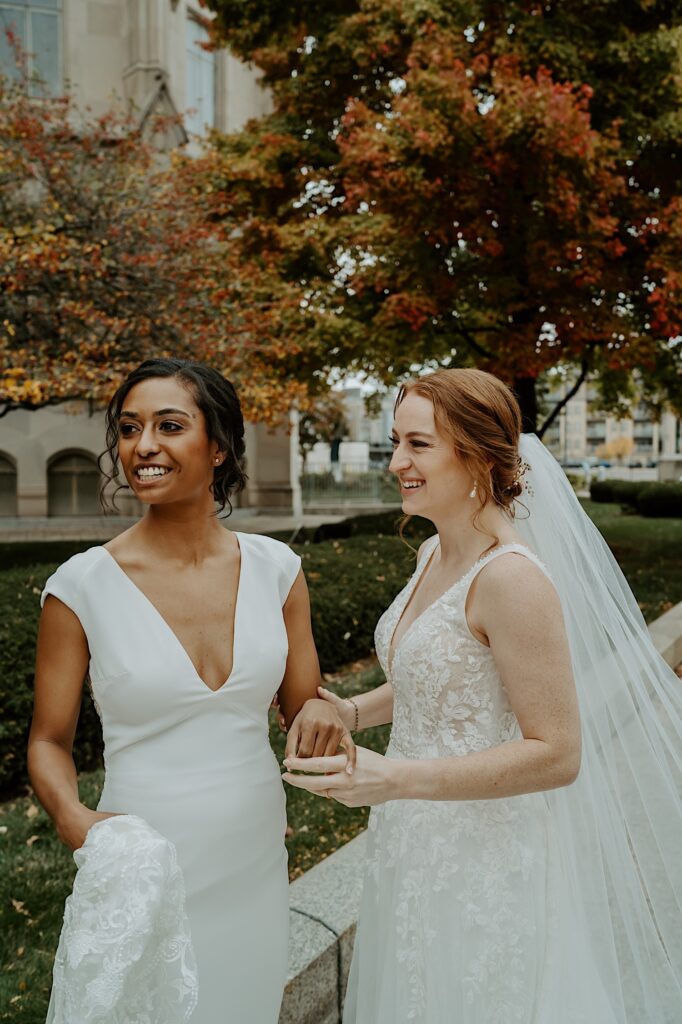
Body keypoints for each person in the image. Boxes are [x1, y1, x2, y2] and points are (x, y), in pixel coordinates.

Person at [283, 368, 682, 1023]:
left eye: (418, 444)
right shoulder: (433, 555)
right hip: (411, 839)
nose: (398, 462)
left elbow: (558, 753)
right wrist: (348, 710)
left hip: (487, 858)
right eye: (394, 443)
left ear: (473, 454)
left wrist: (397, 777)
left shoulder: (514, 580)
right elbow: (432, 675)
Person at [28, 358, 354, 1024]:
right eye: (128, 428)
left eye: (169, 426)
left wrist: (321, 709)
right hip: (140, 864)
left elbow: (304, 704)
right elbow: (48, 741)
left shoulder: (277, 570)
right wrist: (76, 823)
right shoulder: (80, 586)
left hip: (253, 858)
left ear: (219, 446)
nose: (142, 445)